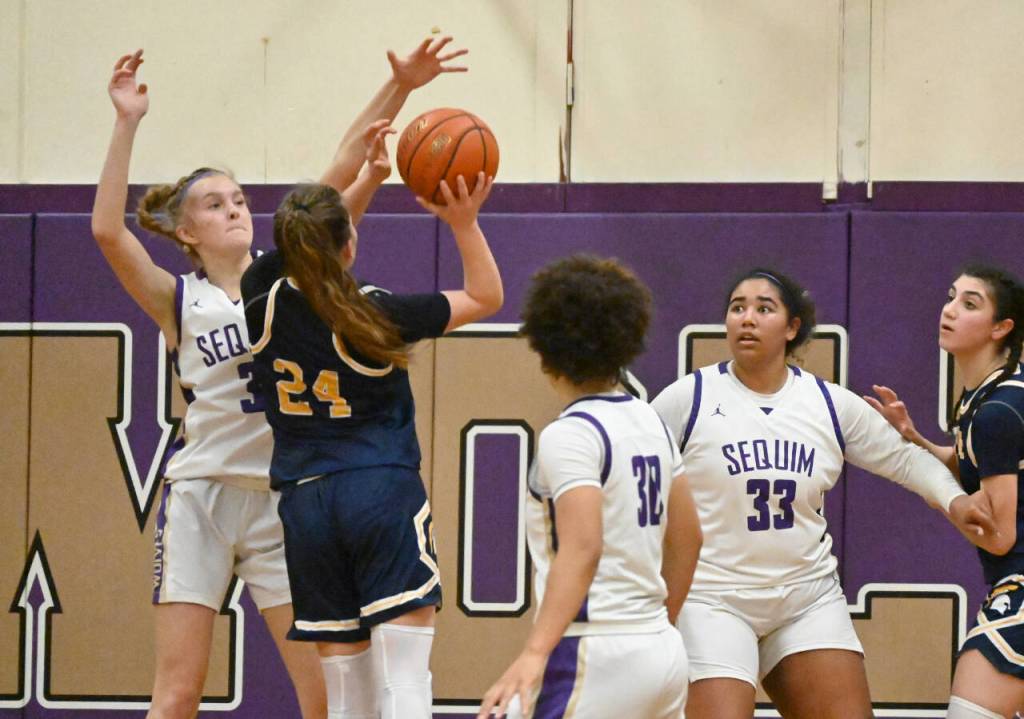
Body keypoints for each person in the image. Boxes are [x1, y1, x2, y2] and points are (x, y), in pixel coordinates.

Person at [91, 38, 467, 719]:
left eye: (239, 198)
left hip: (281, 496)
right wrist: (126, 123)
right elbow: (109, 234)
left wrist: (401, 89)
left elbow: (345, 166)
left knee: (323, 693)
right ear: (184, 230)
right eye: (214, 204)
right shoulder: (180, 299)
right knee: (177, 693)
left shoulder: (285, 275)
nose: (235, 208)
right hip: (202, 495)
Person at [650, 267, 995, 719]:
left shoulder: (828, 403)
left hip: (804, 597)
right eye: (737, 308)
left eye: (763, 308)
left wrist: (955, 500)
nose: (747, 319)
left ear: (793, 328)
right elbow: (635, 474)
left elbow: (907, 459)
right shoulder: (687, 399)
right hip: (713, 596)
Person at [240, 149, 501, 718]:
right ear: (349, 245)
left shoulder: (257, 300)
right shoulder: (374, 311)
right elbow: (486, 295)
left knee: (346, 692)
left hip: (306, 503)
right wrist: (464, 222)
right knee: (403, 676)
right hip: (378, 491)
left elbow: (311, 241)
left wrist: (366, 181)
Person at [476, 255, 703, 719]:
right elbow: (690, 537)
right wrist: (657, 623)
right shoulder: (649, 418)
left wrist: (535, 652)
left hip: (593, 650)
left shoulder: (571, 433)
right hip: (660, 648)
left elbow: (583, 546)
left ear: (544, 347)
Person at [867, 265, 1024, 719]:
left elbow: (999, 536)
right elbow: (975, 464)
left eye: (969, 304)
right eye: (951, 296)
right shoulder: (987, 397)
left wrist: (940, 498)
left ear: (1002, 328)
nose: (949, 310)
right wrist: (916, 440)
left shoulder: (998, 411)